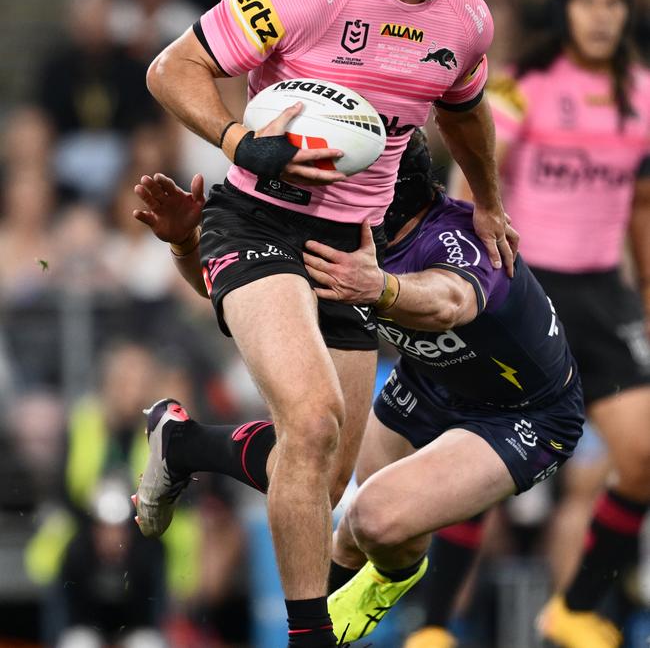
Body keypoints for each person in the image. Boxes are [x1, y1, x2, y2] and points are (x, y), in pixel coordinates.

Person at [140, 0, 518, 648]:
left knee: (322, 466)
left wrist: (486, 200)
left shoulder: (467, 19)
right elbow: (171, 69)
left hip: (353, 245)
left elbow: (465, 108)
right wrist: (241, 139)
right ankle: (308, 637)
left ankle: (181, 441)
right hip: (256, 219)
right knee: (310, 424)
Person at [131, 130, 582, 645]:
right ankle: (181, 444)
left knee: (371, 520)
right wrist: (187, 245)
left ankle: (387, 577)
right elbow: (248, 299)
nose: (329, 199)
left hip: (524, 412)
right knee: (322, 484)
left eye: (348, 187)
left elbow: (450, 302)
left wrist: (381, 288)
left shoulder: (456, 234)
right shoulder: (345, 235)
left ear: (385, 192)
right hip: (430, 382)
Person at [429, 0, 650, 648]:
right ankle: (433, 626)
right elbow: (471, 182)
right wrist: (465, 279)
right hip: (523, 288)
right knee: (485, 466)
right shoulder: (521, 91)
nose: (602, 17)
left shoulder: (642, 94)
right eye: (588, 3)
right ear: (565, 12)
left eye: (613, 6)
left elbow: (642, 204)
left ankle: (575, 607)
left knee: (643, 457)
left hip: (602, 293)